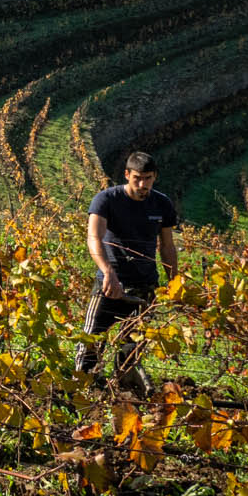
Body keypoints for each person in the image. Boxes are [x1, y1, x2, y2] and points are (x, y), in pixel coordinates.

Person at [76, 150, 180, 390]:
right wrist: (108, 272)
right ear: (127, 175)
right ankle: (81, 390)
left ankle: (122, 395)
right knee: (91, 340)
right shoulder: (106, 200)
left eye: (148, 178)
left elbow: (167, 246)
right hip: (110, 285)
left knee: (132, 348)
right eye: (137, 178)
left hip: (145, 287)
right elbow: (94, 238)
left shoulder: (162, 203)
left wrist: (175, 283)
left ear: (155, 177)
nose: (142, 184)